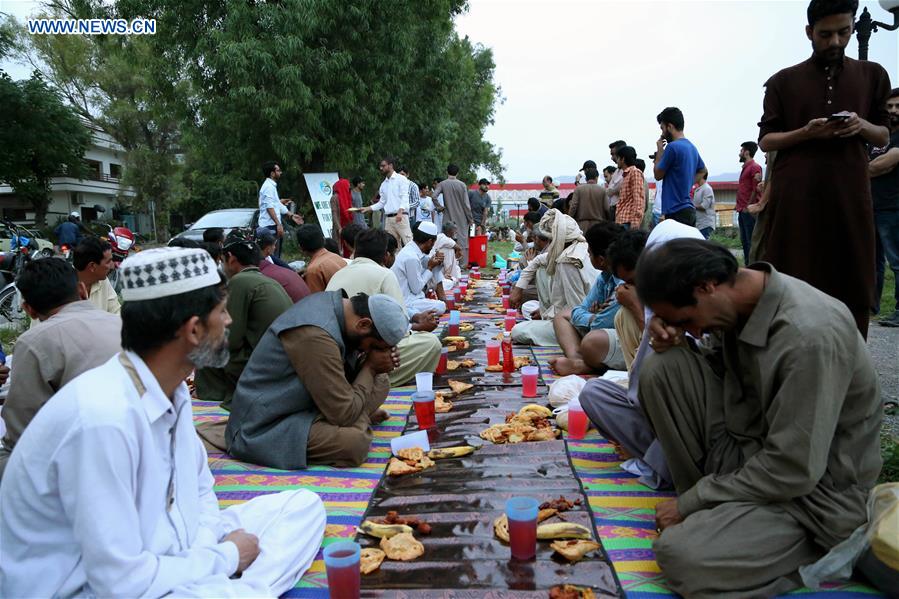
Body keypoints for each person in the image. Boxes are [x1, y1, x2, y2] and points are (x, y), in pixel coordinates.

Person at [0, 247, 326, 597]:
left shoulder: (172, 390)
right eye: (221, 311)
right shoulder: (102, 419)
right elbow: (118, 581)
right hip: (86, 587)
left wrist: (205, 551)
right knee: (240, 584)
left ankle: (218, 583)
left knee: (302, 505)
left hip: (169, 547)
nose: (229, 321)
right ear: (193, 330)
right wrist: (226, 556)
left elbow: (200, 489)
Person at [634, 239, 881, 598]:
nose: (696, 331)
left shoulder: (808, 335)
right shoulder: (736, 304)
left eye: (688, 320)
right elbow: (718, 368)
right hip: (746, 455)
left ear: (706, 287)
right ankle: (717, 519)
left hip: (812, 498)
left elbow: (793, 468)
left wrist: (693, 500)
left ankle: (818, 554)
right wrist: (673, 337)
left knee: (681, 556)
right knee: (663, 367)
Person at [758, 0, 891, 337]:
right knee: (791, 279)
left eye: (844, 32)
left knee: (852, 279)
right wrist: (807, 132)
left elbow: (883, 133)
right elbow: (766, 140)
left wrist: (860, 125)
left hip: (849, 194)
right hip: (796, 199)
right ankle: (791, 363)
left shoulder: (872, 75)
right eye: (825, 34)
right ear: (809, 33)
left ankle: (852, 370)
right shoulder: (782, 82)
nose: (835, 42)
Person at [577, 220, 704, 491]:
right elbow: (641, 387)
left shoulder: (697, 296)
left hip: (690, 426)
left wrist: (636, 307)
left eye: (636, 280)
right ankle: (658, 458)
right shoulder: (648, 294)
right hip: (653, 413)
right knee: (592, 393)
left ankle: (664, 462)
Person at [226, 292, 408, 469]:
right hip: (265, 424)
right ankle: (360, 418)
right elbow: (343, 414)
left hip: (310, 406)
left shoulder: (338, 310)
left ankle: (359, 416)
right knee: (355, 443)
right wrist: (370, 367)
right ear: (363, 324)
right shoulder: (316, 334)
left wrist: (373, 368)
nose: (374, 352)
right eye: (375, 347)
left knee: (381, 380)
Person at [0, 258, 121, 479]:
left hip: (86, 461)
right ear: (82, 289)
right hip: (136, 445)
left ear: (29, 309)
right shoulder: (123, 325)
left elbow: (22, 431)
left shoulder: (33, 341)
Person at [327, 229, 442, 386]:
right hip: (365, 349)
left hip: (339, 354)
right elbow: (398, 330)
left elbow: (392, 310)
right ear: (387, 255)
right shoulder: (384, 274)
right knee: (430, 343)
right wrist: (417, 327)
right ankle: (375, 381)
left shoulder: (338, 274)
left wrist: (414, 316)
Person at [195, 235, 292, 416]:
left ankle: (215, 396)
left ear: (231, 259)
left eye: (222, 261)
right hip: (283, 359)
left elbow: (229, 338)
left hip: (263, 364)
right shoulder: (266, 280)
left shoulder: (240, 282)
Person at [549, 222, 626, 376]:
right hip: (600, 328)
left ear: (602, 259)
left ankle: (586, 365)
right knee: (561, 316)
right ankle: (578, 360)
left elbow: (599, 324)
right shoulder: (605, 276)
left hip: (623, 337)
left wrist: (593, 319)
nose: (588, 257)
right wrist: (593, 318)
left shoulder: (623, 286)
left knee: (592, 341)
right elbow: (582, 308)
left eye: (590, 253)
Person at [511, 210, 598, 346]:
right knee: (539, 270)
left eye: (551, 240)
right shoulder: (577, 247)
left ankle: (571, 342)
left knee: (518, 331)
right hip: (564, 315)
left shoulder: (568, 262)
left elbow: (575, 309)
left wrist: (550, 314)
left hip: (578, 328)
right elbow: (539, 260)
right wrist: (518, 288)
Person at [869, 87, 899, 326]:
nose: (893, 111)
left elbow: (885, 164)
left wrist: (858, 170)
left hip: (893, 208)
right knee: (873, 259)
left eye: (898, 106)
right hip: (872, 206)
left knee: (897, 261)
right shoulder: (880, 137)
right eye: (889, 106)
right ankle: (872, 305)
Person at [653, 107, 706, 226]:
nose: (662, 133)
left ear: (670, 127)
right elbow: (703, 170)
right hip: (688, 210)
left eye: (662, 128)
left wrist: (660, 151)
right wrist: (687, 183)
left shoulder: (672, 147)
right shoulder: (692, 147)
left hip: (675, 211)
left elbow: (657, 175)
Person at [391, 221, 446, 315]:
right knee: (440, 306)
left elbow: (426, 261)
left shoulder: (412, 248)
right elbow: (416, 289)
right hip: (407, 302)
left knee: (436, 265)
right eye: (433, 243)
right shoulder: (411, 257)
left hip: (414, 298)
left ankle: (442, 297)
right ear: (429, 241)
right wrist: (430, 267)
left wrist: (437, 261)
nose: (433, 246)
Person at [363, 157, 413, 247]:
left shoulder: (401, 179)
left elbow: (404, 196)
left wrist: (400, 212)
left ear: (390, 166)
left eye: (383, 166)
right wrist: (367, 208)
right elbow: (382, 203)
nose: (381, 168)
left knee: (409, 243)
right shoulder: (383, 184)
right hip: (389, 219)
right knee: (392, 247)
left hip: (401, 216)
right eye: (380, 166)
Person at [257, 161, 302, 258]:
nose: (280, 172)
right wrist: (278, 224)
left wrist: (291, 215)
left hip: (272, 226)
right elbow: (269, 207)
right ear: (272, 173)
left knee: (275, 256)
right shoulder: (268, 187)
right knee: (272, 257)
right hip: (269, 227)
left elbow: (276, 204)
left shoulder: (271, 186)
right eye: (278, 170)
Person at [433, 164, 473, 266]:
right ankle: (462, 264)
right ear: (457, 173)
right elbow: (466, 204)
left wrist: (439, 207)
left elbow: (434, 196)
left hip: (447, 216)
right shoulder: (462, 185)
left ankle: (446, 263)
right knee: (462, 241)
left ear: (447, 172)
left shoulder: (442, 184)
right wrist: (470, 218)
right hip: (461, 218)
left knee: (446, 240)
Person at [72, 236, 121, 315]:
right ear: (92, 266)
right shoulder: (64, 285)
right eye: (108, 262)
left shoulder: (103, 280)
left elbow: (116, 312)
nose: (112, 265)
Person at [257, 233, 311, 303]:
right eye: (273, 245)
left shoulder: (271, 258)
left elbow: (288, 268)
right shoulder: (261, 263)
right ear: (268, 248)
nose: (275, 248)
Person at [296, 224, 347, 293]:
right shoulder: (336, 257)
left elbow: (316, 300)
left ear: (301, 248)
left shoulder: (313, 270)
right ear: (323, 240)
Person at [735, 141, 764, 261]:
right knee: (744, 241)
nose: (739, 154)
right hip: (742, 210)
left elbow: (755, 189)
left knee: (750, 242)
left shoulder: (755, 167)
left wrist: (748, 207)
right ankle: (748, 265)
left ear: (746, 152)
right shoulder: (746, 168)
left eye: (741, 151)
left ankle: (753, 266)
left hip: (748, 211)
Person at [567, 167, 610, 233]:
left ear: (586, 178)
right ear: (596, 177)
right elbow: (607, 209)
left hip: (581, 226)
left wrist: (569, 220)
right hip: (598, 226)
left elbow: (573, 207)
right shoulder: (602, 190)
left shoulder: (578, 189)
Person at [614, 146, 646, 230]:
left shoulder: (635, 172)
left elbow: (638, 200)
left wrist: (635, 224)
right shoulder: (627, 174)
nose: (616, 161)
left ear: (623, 159)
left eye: (617, 158)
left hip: (628, 223)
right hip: (622, 221)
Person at [432, 221, 462, 290]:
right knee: (449, 250)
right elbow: (454, 245)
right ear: (449, 231)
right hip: (438, 270)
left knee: (457, 269)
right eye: (454, 230)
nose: (456, 232)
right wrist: (459, 250)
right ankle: (448, 275)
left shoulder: (447, 239)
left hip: (441, 270)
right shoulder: (441, 237)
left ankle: (449, 276)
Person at [606, 141, 628, 219]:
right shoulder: (617, 171)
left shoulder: (629, 171)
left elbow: (617, 189)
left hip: (622, 212)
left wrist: (612, 190)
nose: (612, 158)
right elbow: (610, 190)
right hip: (614, 211)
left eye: (613, 154)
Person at [693, 168, 716, 238]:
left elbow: (704, 206)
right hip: (699, 224)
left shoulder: (707, 188)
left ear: (702, 175)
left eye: (696, 174)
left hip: (705, 224)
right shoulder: (698, 189)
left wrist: (692, 205)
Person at [330, 178, 354, 242]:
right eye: (348, 187)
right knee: (339, 246)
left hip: (348, 226)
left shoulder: (348, 197)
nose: (349, 189)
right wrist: (339, 228)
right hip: (339, 227)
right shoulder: (334, 198)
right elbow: (334, 214)